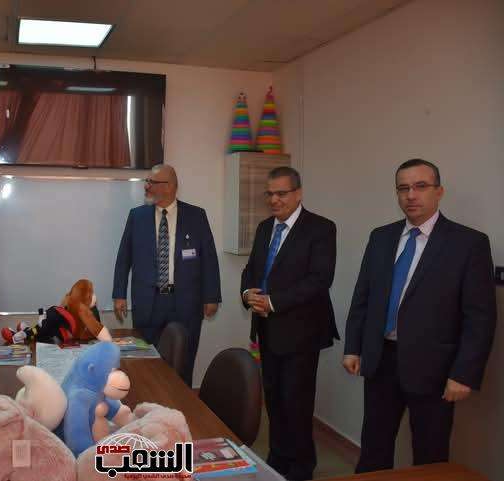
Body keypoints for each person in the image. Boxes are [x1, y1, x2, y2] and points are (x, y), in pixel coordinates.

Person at [343, 159, 497, 472]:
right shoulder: (381, 237)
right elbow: (363, 297)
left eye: (420, 186)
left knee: (430, 455)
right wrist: (353, 347)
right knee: (373, 448)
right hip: (381, 361)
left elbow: (480, 318)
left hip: (434, 369)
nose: (411, 195)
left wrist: (464, 373)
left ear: (439, 191)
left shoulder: (469, 244)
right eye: (403, 188)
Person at [240, 166, 338, 481]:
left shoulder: (321, 228)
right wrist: (247, 293)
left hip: (301, 333)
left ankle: (301, 468)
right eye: (269, 194)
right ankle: (278, 460)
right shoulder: (264, 228)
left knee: (296, 404)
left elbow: (319, 280)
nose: (274, 200)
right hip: (267, 331)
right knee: (274, 401)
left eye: (281, 193)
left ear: (298, 193)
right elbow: (252, 269)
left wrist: (273, 302)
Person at [113, 164, 221, 386]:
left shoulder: (196, 216)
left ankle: (182, 405)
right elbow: (124, 258)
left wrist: (212, 296)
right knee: (146, 363)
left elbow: (209, 259)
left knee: (183, 363)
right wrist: (119, 294)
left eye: (151, 182)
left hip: (186, 303)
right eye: (147, 182)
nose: (146, 186)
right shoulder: (137, 216)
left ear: (169, 186)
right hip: (147, 302)